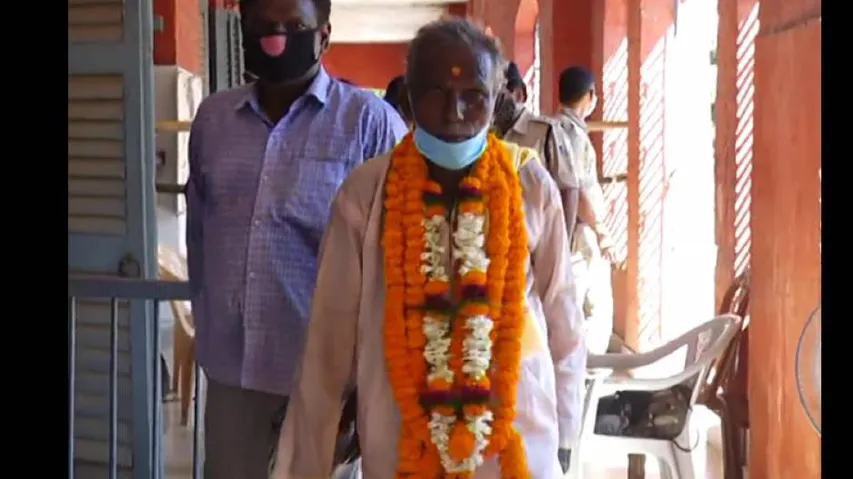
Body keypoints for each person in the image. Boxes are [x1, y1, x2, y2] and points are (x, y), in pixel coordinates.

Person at [272, 18, 586, 479]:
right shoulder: (368, 191)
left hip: (516, 436)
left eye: (473, 94)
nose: (455, 111)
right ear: (410, 97)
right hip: (400, 435)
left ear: (498, 97)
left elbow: (563, 315)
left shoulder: (529, 184)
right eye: (436, 92)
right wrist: (306, 459)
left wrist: (567, 432)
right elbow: (328, 342)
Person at [184, 0, 408, 476]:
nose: (276, 37)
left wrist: (373, 382)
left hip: (329, 386)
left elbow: (400, 265)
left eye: (293, 27)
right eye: (263, 27)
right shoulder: (213, 121)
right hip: (233, 377)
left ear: (323, 35)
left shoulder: (370, 125)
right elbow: (200, 234)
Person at [554, 65, 616, 355]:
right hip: (581, 233)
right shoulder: (573, 137)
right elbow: (575, 190)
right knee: (591, 310)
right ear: (590, 96)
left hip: (566, 231)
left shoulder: (554, 130)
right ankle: (587, 376)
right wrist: (602, 232)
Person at [494, 61, 579, 241]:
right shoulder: (486, 137)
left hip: (539, 241)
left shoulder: (546, 132)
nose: (493, 105)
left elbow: (568, 189)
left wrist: (563, 245)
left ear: (519, 94)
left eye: (499, 95)